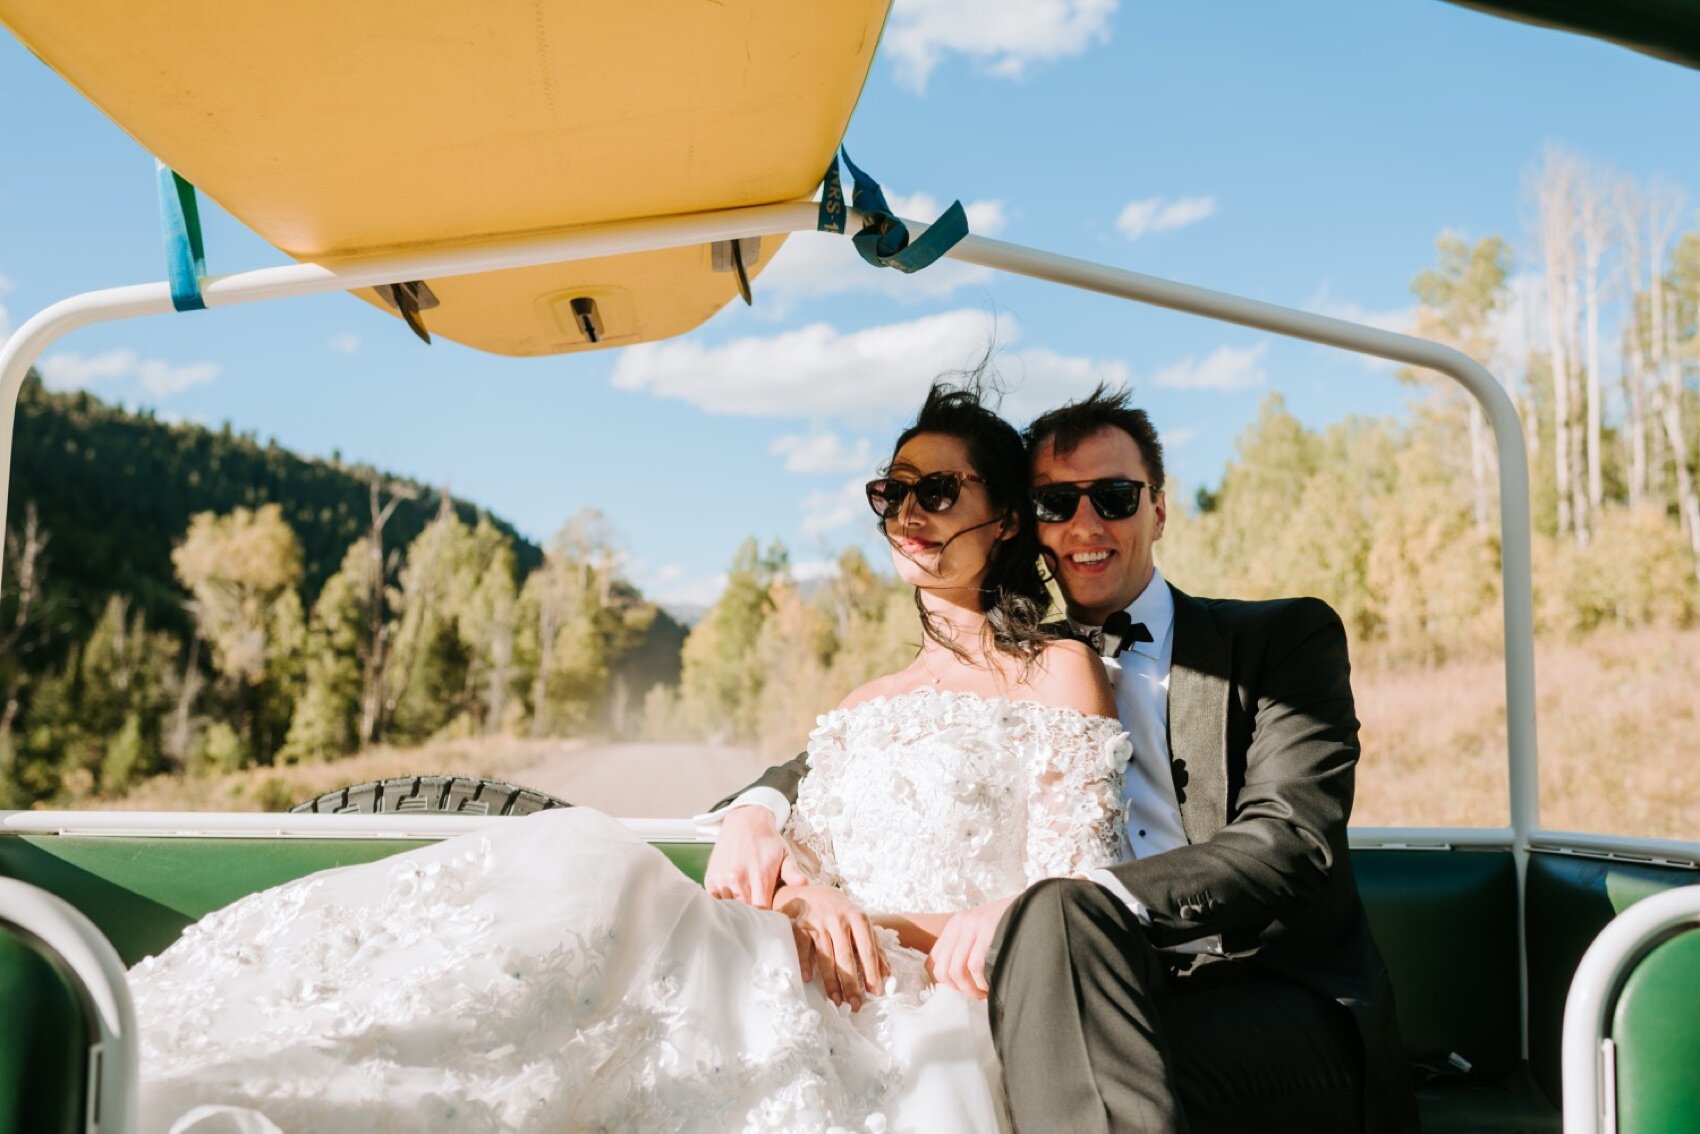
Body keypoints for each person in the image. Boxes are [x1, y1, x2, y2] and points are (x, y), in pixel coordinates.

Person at [128, 382, 1133, 1134]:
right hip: (799, 957)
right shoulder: (859, 707)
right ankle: (237, 1073)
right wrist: (802, 893)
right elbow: (800, 868)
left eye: (936, 488)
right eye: (890, 490)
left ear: (1002, 518)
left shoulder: (1052, 673)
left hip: (918, 995)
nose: (907, 512)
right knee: (591, 870)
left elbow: (1066, 880)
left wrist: (881, 922)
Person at [707, 386, 1418, 1133]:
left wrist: (1082, 904)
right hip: (1067, 990)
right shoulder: (1014, 668)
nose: (1085, 524)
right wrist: (756, 811)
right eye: (1057, 503)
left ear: (1160, 510)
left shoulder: (1279, 640)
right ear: (1029, 524)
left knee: (1022, 1032)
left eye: (1113, 497)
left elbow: (1289, 841)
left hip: (1259, 996)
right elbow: (838, 757)